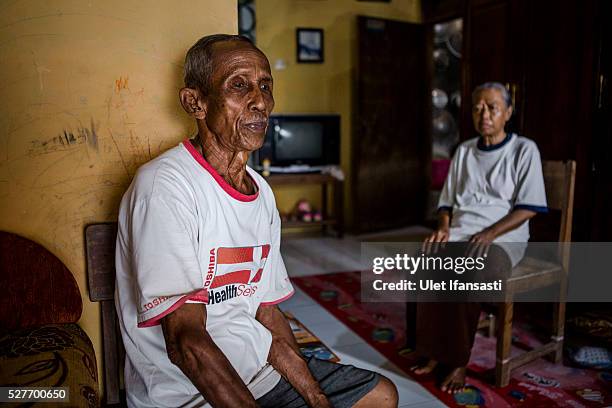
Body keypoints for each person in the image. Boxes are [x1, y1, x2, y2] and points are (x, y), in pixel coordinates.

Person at [115, 34, 398, 408]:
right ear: (194, 102)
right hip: (189, 394)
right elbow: (187, 343)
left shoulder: (261, 192)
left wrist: (316, 398)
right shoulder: (166, 187)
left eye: (266, 86)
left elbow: (266, 309)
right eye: (239, 86)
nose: (261, 102)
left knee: (381, 396)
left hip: (259, 373)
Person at [411, 82, 548, 393]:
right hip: (460, 232)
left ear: (508, 112)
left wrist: (489, 233)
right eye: (477, 108)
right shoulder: (464, 151)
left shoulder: (524, 150)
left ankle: (458, 360)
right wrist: (443, 228)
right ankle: (433, 350)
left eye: (492, 107)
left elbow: (529, 207)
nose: (483, 113)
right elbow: (446, 203)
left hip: (502, 238)